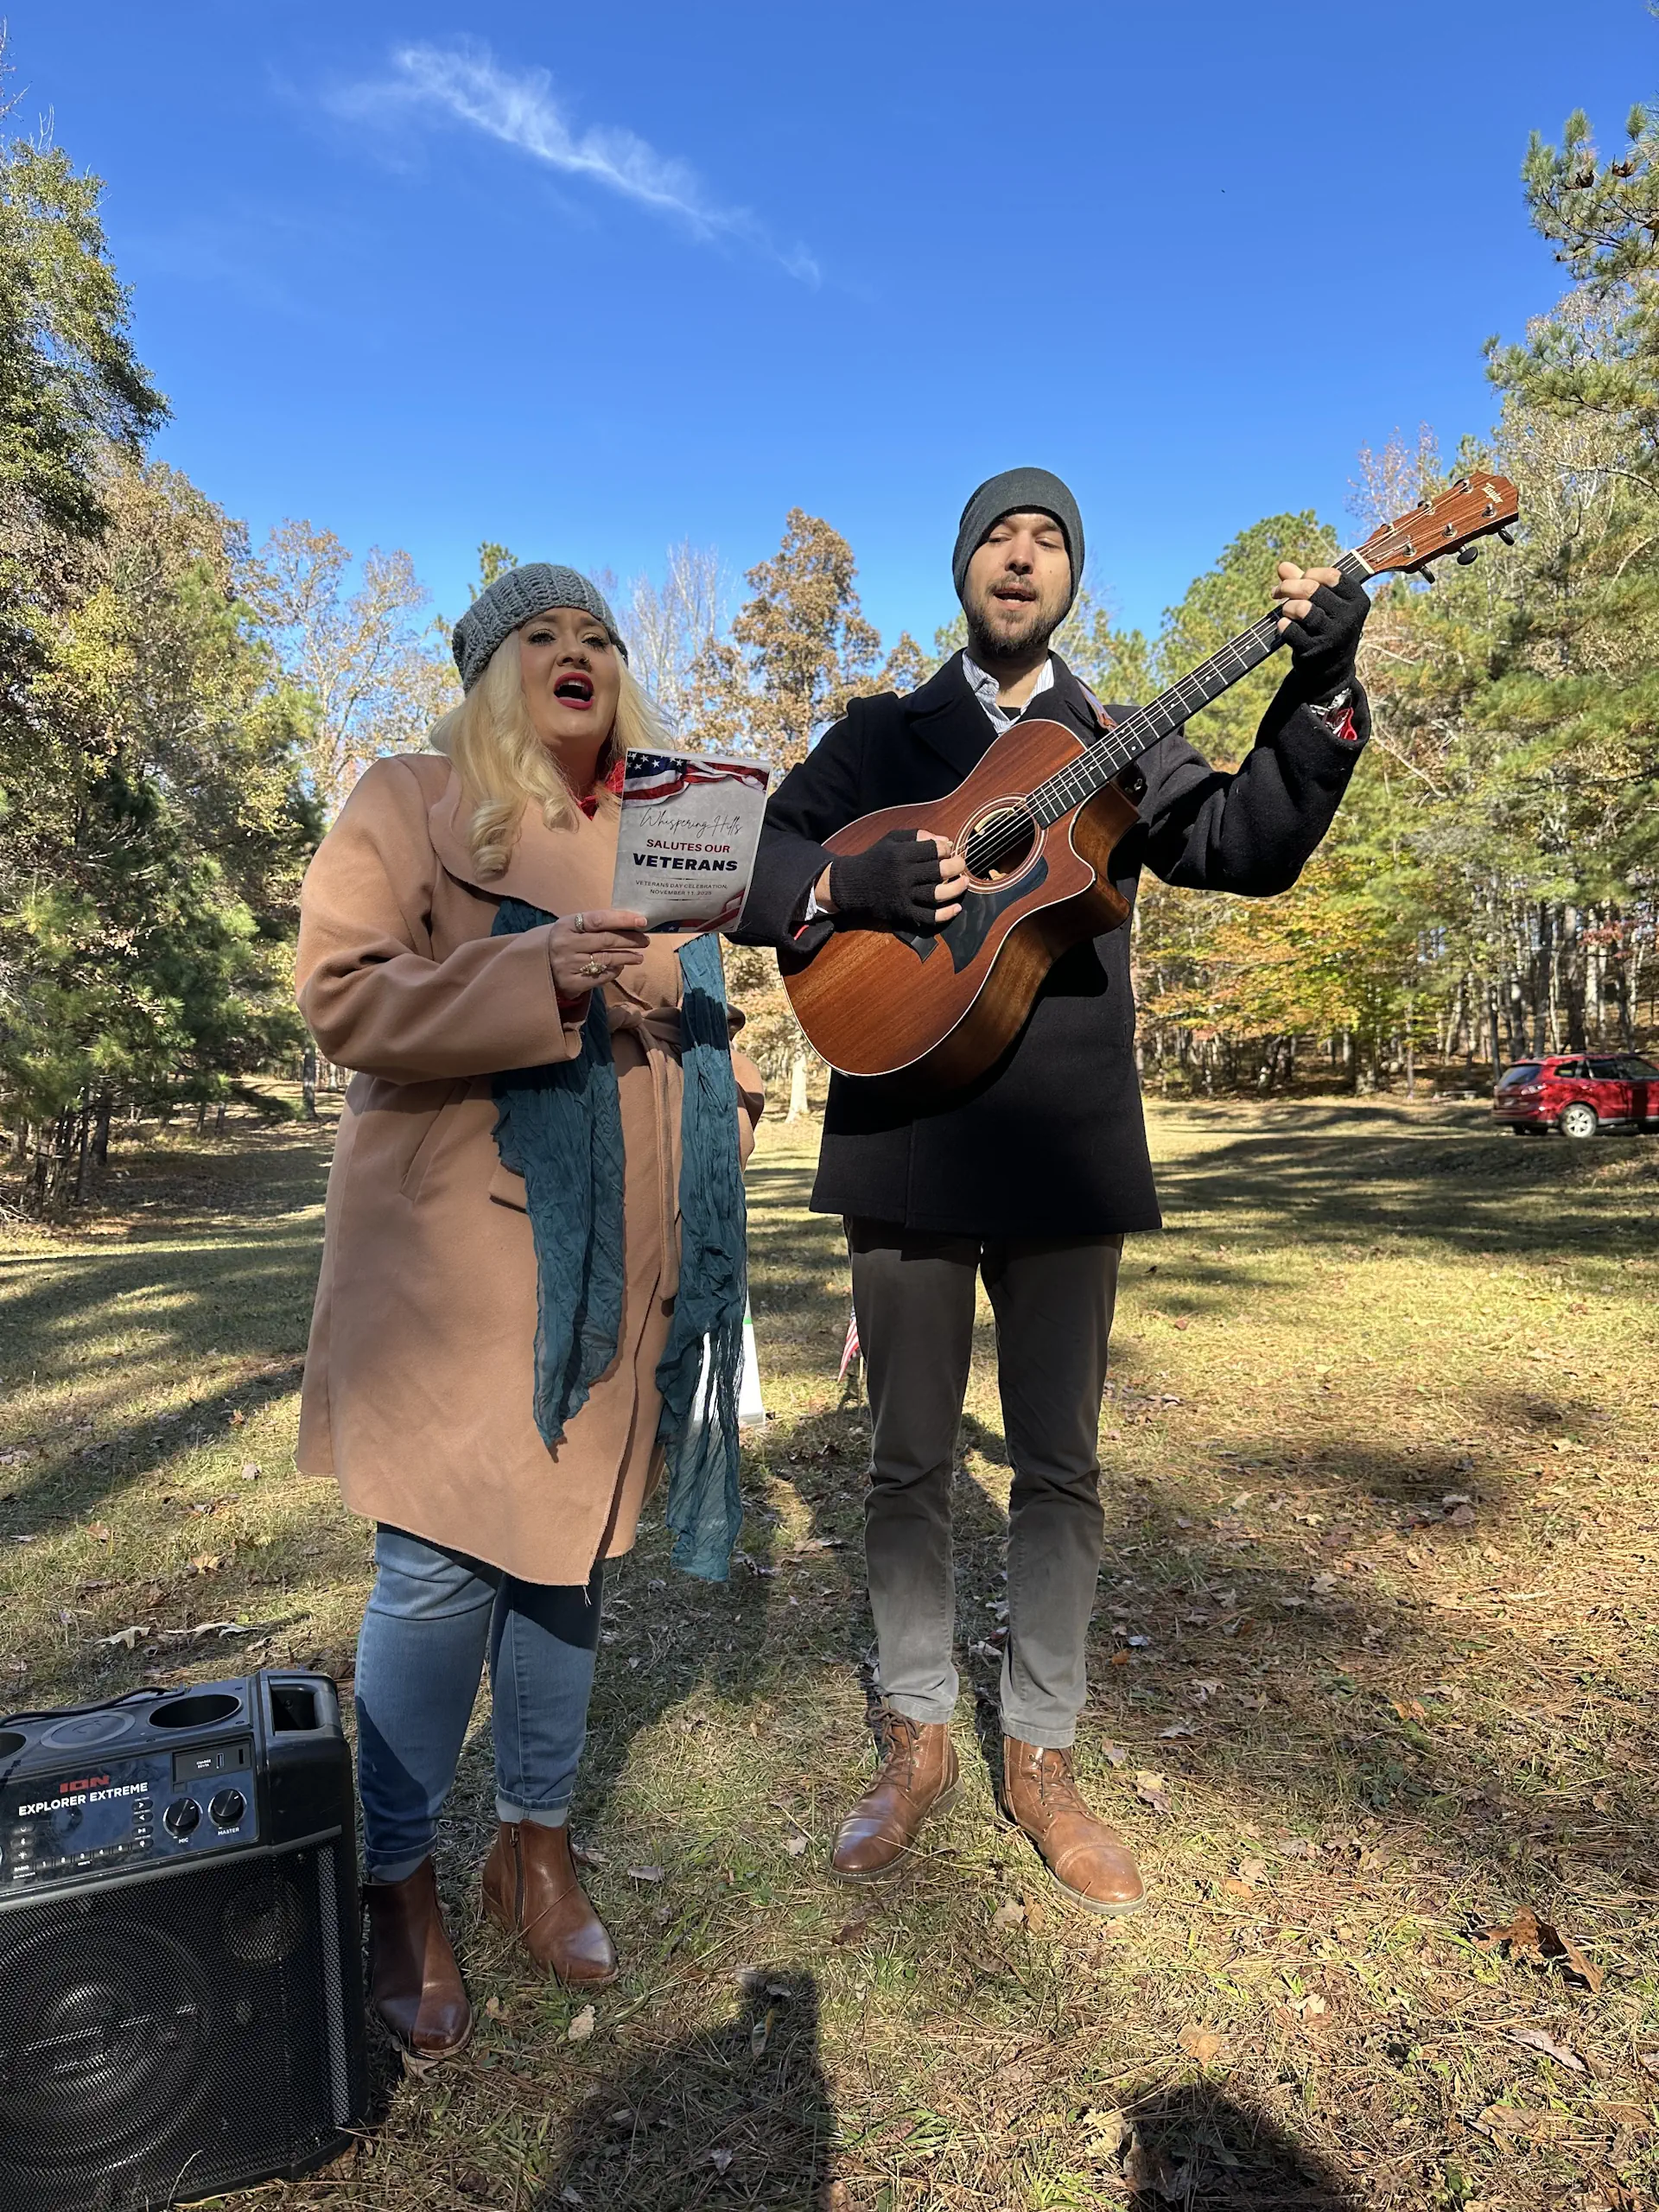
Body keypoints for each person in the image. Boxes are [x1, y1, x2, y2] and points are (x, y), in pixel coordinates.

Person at [735, 467, 1370, 1914]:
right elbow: (758, 856)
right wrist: (849, 891)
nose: (1022, 558)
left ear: (1072, 581)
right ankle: (916, 1737)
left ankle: (1042, 1754)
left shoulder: (1117, 738)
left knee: (1060, 1468)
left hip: (1066, 1144)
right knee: (907, 1462)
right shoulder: (882, 736)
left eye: (1049, 541)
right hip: (905, 1120)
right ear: (963, 567)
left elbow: (1250, 846)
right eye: (998, 538)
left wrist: (1323, 683)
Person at [296, 563, 764, 2059]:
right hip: (456, 1265)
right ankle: (398, 1877)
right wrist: (537, 975)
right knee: (439, 1573)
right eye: (543, 635)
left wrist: (718, 1067)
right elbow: (344, 996)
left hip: (629, 1256)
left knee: (571, 1565)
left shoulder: (667, 830)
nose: (580, 651)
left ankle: (534, 1847)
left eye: (600, 636)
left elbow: (693, 1015)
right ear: (493, 673)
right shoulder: (412, 797)